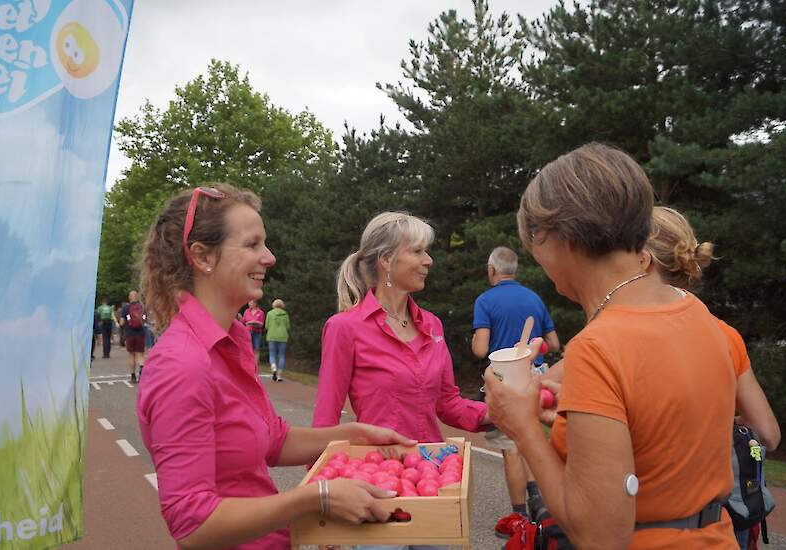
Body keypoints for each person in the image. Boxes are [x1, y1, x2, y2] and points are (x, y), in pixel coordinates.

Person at [485, 143, 738, 548]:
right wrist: (581, 412)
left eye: (534, 240)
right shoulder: (696, 312)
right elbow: (662, 428)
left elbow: (600, 536)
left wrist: (523, 427)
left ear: (556, 236)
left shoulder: (598, 346)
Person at [136, 184, 416, 550]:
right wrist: (317, 497)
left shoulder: (229, 343)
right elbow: (192, 524)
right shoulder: (182, 365)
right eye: (252, 245)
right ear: (203, 256)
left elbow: (274, 441)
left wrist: (355, 434)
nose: (269, 257)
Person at [312, 211, 491, 550]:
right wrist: (323, 498)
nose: (429, 260)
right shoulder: (344, 328)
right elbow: (325, 420)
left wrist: (498, 413)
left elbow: (448, 403)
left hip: (433, 478)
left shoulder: (433, 325)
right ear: (386, 260)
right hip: (375, 485)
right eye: (418, 251)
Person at [642, 206, 780, 547]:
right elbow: (767, 434)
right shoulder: (724, 334)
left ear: (640, 260)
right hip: (722, 519)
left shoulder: (619, 334)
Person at [470, 246, 560, 536]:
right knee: (531, 440)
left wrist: (475, 340)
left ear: (492, 270)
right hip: (536, 381)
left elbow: (481, 348)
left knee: (510, 449)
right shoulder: (533, 297)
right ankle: (540, 505)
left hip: (506, 381)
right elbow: (554, 344)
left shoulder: (485, 300)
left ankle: (518, 515)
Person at [120, 291, 147, 383]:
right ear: (137, 297)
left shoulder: (126, 308)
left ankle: (133, 377)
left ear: (129, 297)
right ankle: (142, 373)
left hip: (130, 333)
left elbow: (122, 322)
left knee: (131, 354)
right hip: (141, 333)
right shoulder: (142, 307)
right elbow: (144, 320)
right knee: (141, 354)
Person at [264, 298, 289, 381]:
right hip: (282, 336)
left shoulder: (270, 313)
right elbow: (288, 326)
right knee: (281, 355)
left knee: (272, 354)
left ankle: (273, 367)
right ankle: (279, 375)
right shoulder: (285, 314)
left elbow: (266, 326)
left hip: (272, 335)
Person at [242, 299, 266, 365]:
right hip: (248, 332)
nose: (249, 304)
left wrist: (255, 323)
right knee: (247, 348)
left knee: (256, 349)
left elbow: (262, 324)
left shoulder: (260, 312)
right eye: (249, 303)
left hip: (257, 332)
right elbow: (243, 322)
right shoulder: (246, 311)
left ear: (255, 304)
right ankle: (247, 364)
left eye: (251, 303)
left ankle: (255, 366)